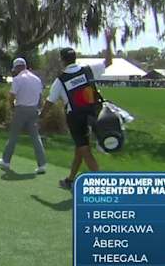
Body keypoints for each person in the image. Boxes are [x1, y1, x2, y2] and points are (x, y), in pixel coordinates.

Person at [43, 47, 113, 190]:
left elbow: (50, 102)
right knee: (80, 148)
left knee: (84, 150)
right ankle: (70, 180)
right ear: (75, 58)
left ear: (62, 61)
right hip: (92, 114)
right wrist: (108, 40)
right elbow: (109, 62)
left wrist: (40, 116)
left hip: (75, 118)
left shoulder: (60, 80)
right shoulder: (88, 70)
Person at [0, 58, 47, 174]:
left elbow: (11, 96)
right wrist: (39, 110)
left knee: (13, 135)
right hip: (33, 110)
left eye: (15, 69)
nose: (14, 71)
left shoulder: (18, 79)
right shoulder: (37, 79)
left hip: (21, 109)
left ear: (18, 67)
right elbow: (40, 98)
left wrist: (11, 107)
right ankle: (42, 164)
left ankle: (6, 161)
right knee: (35, 137)